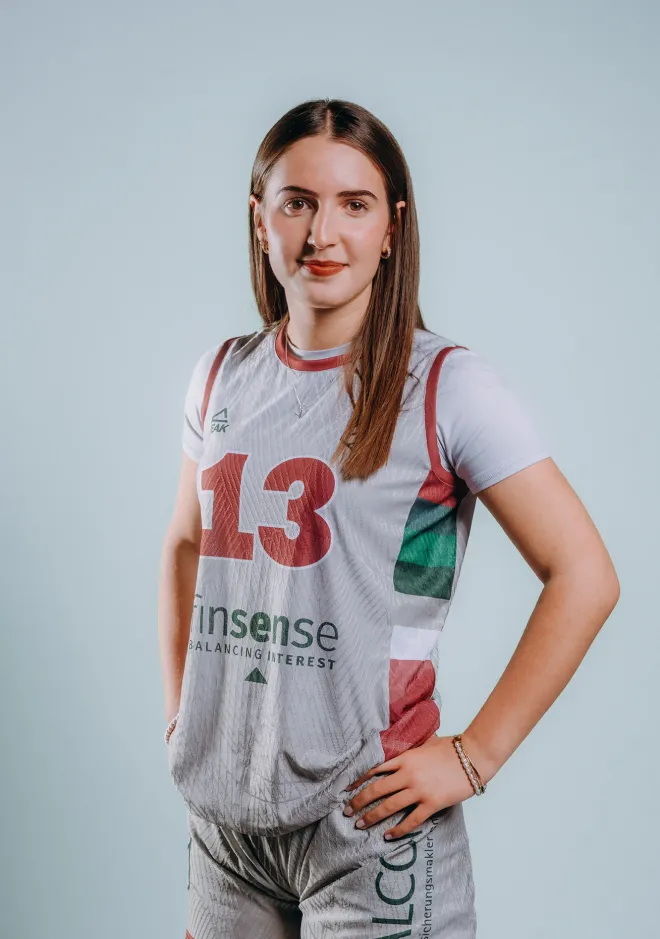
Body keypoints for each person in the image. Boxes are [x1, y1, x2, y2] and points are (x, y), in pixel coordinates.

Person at [158, 98, 620, 939]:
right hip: (225, 826)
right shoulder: (222, 374)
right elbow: (188, 541)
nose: (321, 233)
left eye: (353, 204)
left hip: (367, 825)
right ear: (260, 220)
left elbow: (585, 575)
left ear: (391, 228)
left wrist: (474, 757)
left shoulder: (447, 386)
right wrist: (184, 713)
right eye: (297, 202)